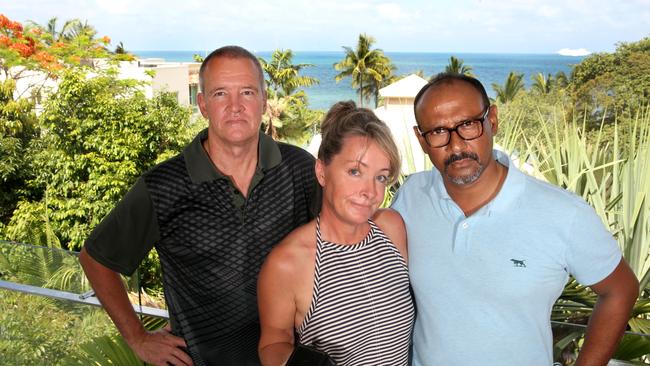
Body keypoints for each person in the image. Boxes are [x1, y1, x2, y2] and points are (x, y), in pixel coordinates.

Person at [79, 45, 320, 366]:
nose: (236, 106)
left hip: (289, 358)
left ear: (264, 101)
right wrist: (138, 338)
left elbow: (337, 244)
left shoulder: (299, 167)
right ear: (203, 104)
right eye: (221, 94)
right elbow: (97, 259)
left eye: (247, 92)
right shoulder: (164, 186)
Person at [391, 73, 639, 366]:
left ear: (492, 120)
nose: (456, 146)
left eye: (468, 125)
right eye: (438, 132)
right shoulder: (411, 196)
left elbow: (621, 289)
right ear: (421, 140)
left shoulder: (563, 213)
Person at [257, 101, 414, 366]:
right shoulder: (288, 263)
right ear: (322, 172)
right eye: (355, 172)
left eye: (380, 177)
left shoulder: (391, 228)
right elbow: (273, 343)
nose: (370, 192)